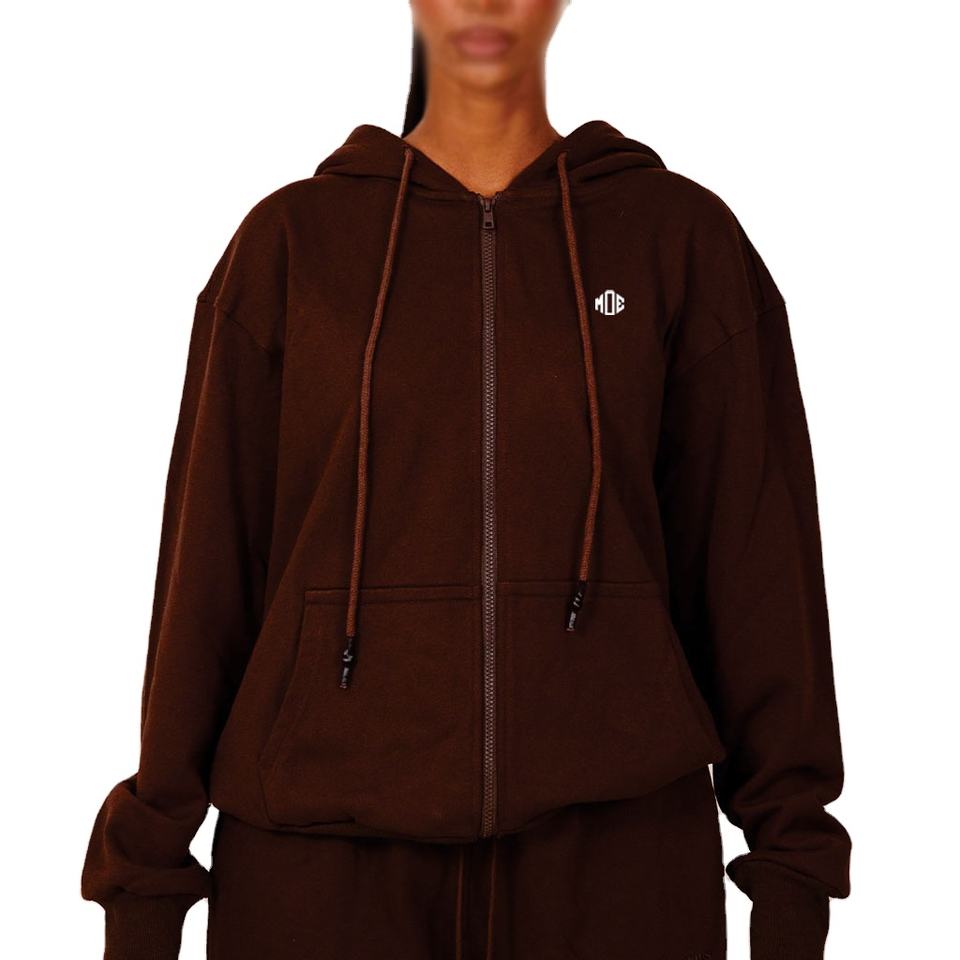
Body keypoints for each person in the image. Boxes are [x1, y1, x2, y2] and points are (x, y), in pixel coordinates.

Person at [80, 1, 852, 958]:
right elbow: (205, 577)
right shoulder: (292, 245)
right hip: (320, 875)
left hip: (618, 869)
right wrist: (145, 888)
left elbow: (759, 572)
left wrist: (791, 881)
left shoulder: (675, 239)